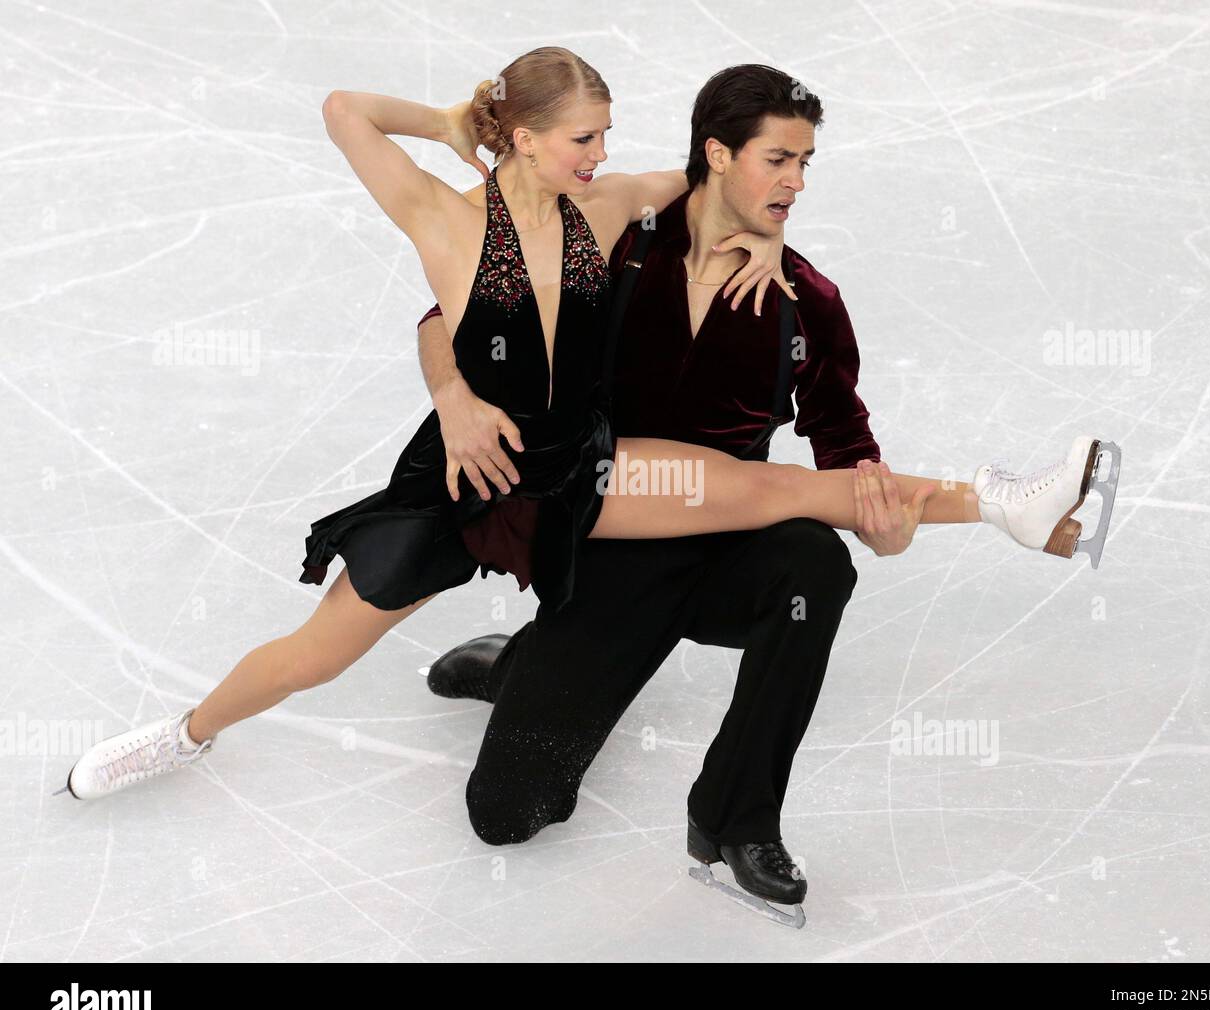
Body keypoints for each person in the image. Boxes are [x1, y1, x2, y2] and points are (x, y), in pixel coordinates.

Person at [56, 45, 1118, 912]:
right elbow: (341, 109)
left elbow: (713, 185)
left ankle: (1004, 504)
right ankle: (184, 736)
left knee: (783, 495)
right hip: (470, 480)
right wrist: (452, 124)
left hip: (589, 472)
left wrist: (752, 237)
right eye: (582, 137)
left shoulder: (604, 211)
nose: (602, 153)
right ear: (522, 137)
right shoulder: (441, 219)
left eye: (605, 136)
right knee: (317, 656)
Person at [417, 64, 1121, 923]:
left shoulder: (807, 299)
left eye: (806, 162)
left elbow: (849, 457)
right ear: (717, 153)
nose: (796, 181)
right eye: (779, 159)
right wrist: (455, 396)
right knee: (507, 815)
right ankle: (521, 664)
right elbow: (454, 315)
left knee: (814, 565)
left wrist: (888, 527)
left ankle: (737, 819)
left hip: (729, 545)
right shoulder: (618, 238)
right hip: (605, 543)